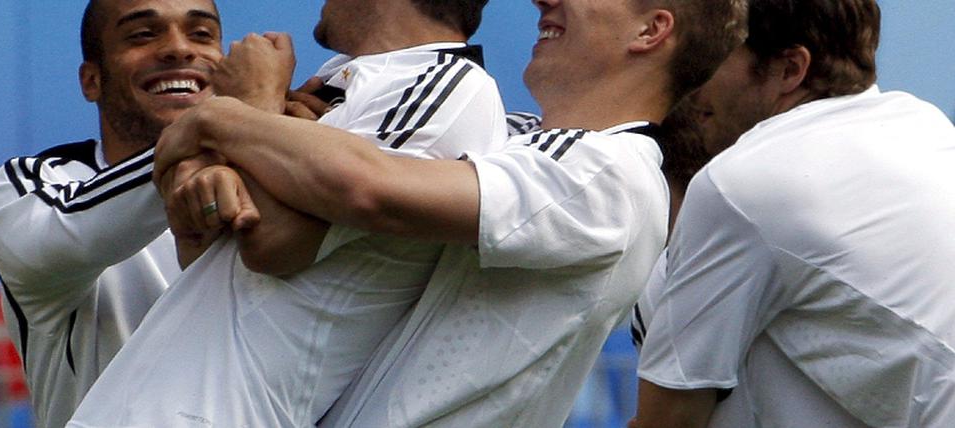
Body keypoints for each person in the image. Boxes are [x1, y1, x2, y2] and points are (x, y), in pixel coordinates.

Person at [129, 0, 746, 426]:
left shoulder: (604, 170)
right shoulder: (527, 145)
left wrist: (234, 111)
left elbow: (366, 186)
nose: (544, 2)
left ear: (651, 32)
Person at [68, 1, 507, 427]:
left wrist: (247, 105)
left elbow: (269, 241)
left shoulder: (448, 87)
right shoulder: (346, 79)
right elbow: (215, 257)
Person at [631, 0, 955, 426]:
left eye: (717, 54)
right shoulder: (924, 125)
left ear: (789, 69)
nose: (692, 76)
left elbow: (669, 419)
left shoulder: (740, 183)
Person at [0, 1, 224, 427]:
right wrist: (228, 126)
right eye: (143, 35)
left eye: (201, 34)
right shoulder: (30, 187)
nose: (179, 49)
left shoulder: (276, 176)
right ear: (92, 80)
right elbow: (68, 234)